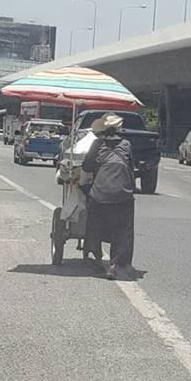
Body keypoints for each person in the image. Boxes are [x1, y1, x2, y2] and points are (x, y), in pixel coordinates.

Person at [82, 113, 135, 280]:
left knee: (93, 221)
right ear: (118, 129)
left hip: (100, 195)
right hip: (122, 195)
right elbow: (131, 168)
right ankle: (115, 264)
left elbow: (87, 166)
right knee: (123, 230)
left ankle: (95, 252)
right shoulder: (126, 144)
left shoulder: (97, 145)